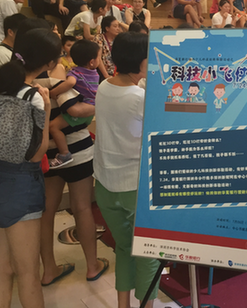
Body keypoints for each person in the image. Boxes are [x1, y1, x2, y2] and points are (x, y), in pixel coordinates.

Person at [0, 29, 61, 308]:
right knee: (28, 273)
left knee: (0, 268)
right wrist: (46, 108)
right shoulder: (33, 96)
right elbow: (36, 154)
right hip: (20, 186)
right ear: (49, 63)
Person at [93, 32, 160, 308]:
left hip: (105, 185)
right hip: (135, 186)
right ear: (141, 61)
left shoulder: (103, 87)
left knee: (124, 247)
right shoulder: (139, 97)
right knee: (149, 253)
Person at [48, 40, 100, 169]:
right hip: (91, 110)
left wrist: (52, 92)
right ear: (92, 62)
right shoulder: (94, 72)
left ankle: (64, 154)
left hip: (81, 110)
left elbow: (70, 83)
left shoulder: (76, 72)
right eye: (99, 57)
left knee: (53, 126)